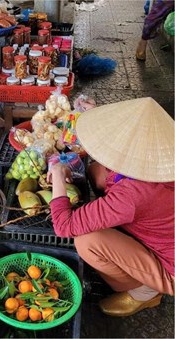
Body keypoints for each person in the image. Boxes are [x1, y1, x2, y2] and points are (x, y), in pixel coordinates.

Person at [47, 97, 174, 317]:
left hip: (168, 265)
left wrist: (57, 173)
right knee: (97, 172)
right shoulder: (162, 163)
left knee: (87, 241)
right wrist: (95, 113)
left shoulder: (132, 195)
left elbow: (63, 225)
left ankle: (145, 292)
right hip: (158, 227)